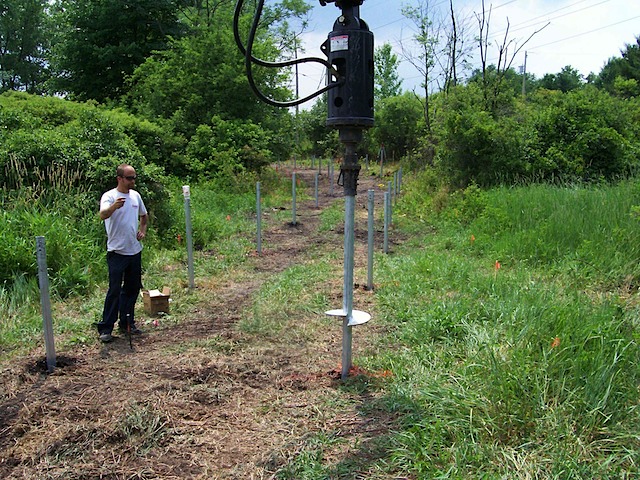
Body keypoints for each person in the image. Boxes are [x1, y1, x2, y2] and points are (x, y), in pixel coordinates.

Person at [97, 164, 148, 343]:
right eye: (129, 178)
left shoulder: (136, 196)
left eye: (134, 177)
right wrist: (113, 208)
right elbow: (102, 214)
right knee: (114, 290)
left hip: (134, 250)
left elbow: (144, 215)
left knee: (132, 288)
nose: (132, 181)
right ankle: (106, 328)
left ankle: (127, 322)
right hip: (117, 251)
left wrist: (143, 230)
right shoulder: (110, 196)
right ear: (120, 178)